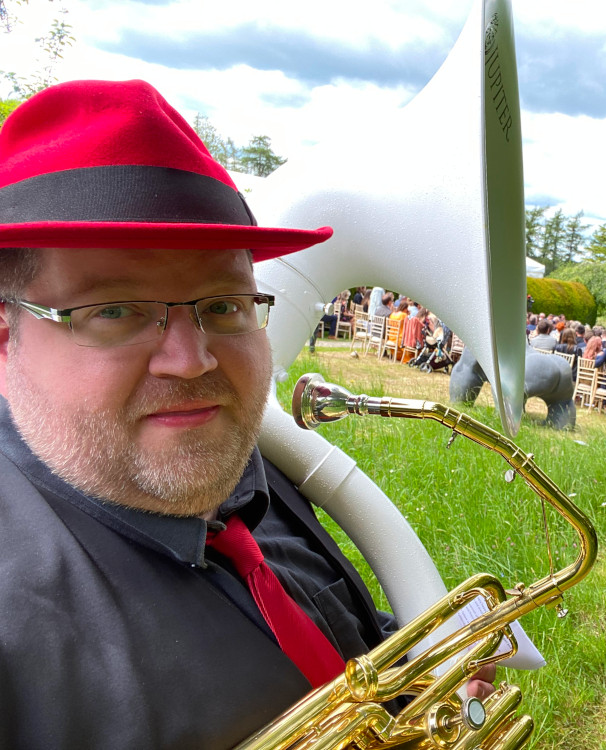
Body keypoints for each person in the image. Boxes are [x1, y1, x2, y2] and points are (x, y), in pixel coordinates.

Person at [0, 80, 492, 749]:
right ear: (6, 337)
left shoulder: (246, 465)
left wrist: (416, 683)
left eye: (224, 304)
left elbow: (330, 630)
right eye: (114, 310)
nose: (192, 361)